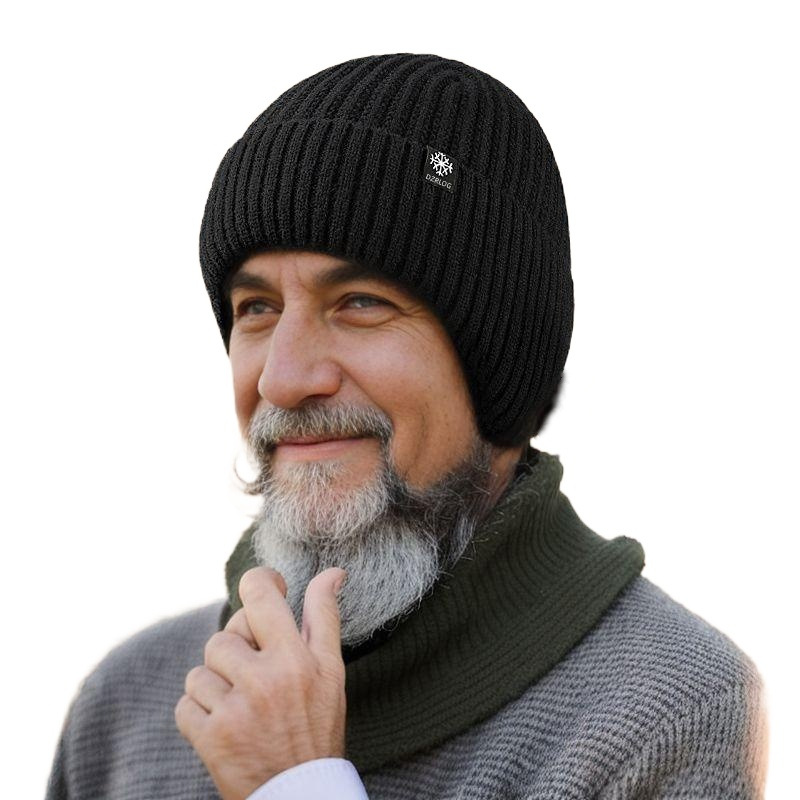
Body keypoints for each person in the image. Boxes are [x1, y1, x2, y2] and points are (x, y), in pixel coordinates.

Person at [45, 53, 769, 800]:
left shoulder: (666, 710)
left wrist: (296, 785)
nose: (282, 379)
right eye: (256, 307)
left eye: (360, 302)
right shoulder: (125, 707)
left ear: (497, 362)